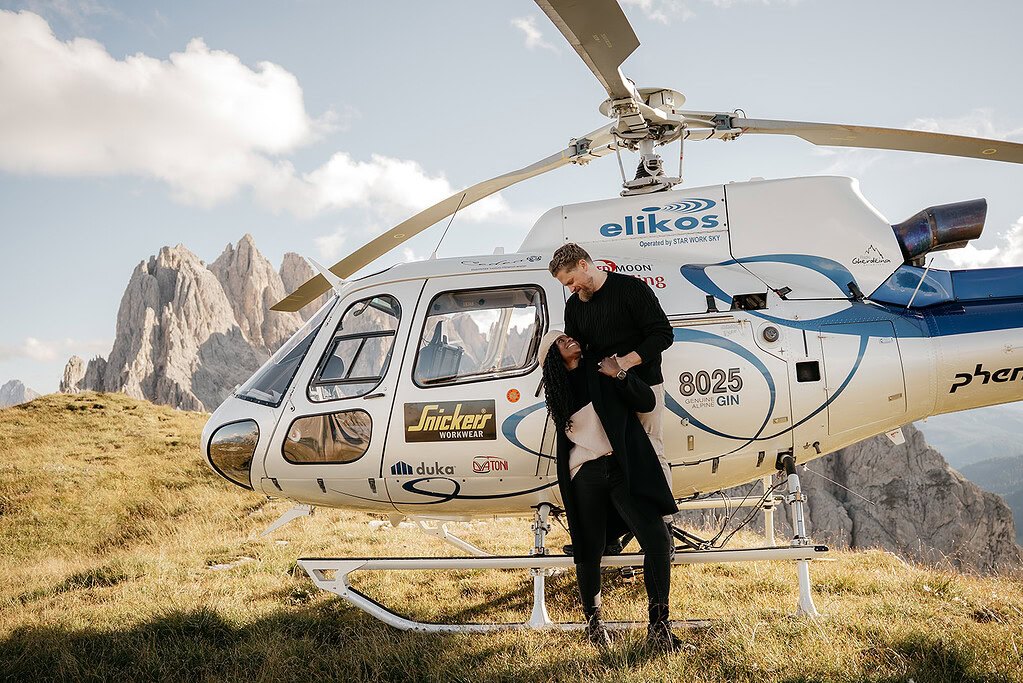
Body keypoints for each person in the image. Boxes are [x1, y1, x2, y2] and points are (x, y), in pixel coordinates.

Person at [538, 329, 681, 651]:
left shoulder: (603, 369)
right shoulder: (560, 392)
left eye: (568, 337)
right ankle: (594, 626)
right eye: (560, 343)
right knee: (589, 551)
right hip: (585, 473)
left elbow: (646, 401)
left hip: (622, 468)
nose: (569, 341)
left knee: (657, 540)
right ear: (553, 358)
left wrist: (620, 376)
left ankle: (659, 628)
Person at [550, 243, 675, 489]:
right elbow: (578, 351)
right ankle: (631, 520)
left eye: (571, 280)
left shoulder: (631, 289)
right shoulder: (574, 306)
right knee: (615, 454)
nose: (571, 288)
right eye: (566, 285)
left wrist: (623, 364)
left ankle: (662, 523)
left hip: (645, 385)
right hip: (604, 394)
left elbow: (663, 335)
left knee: (651, 449)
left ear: (584, 265)